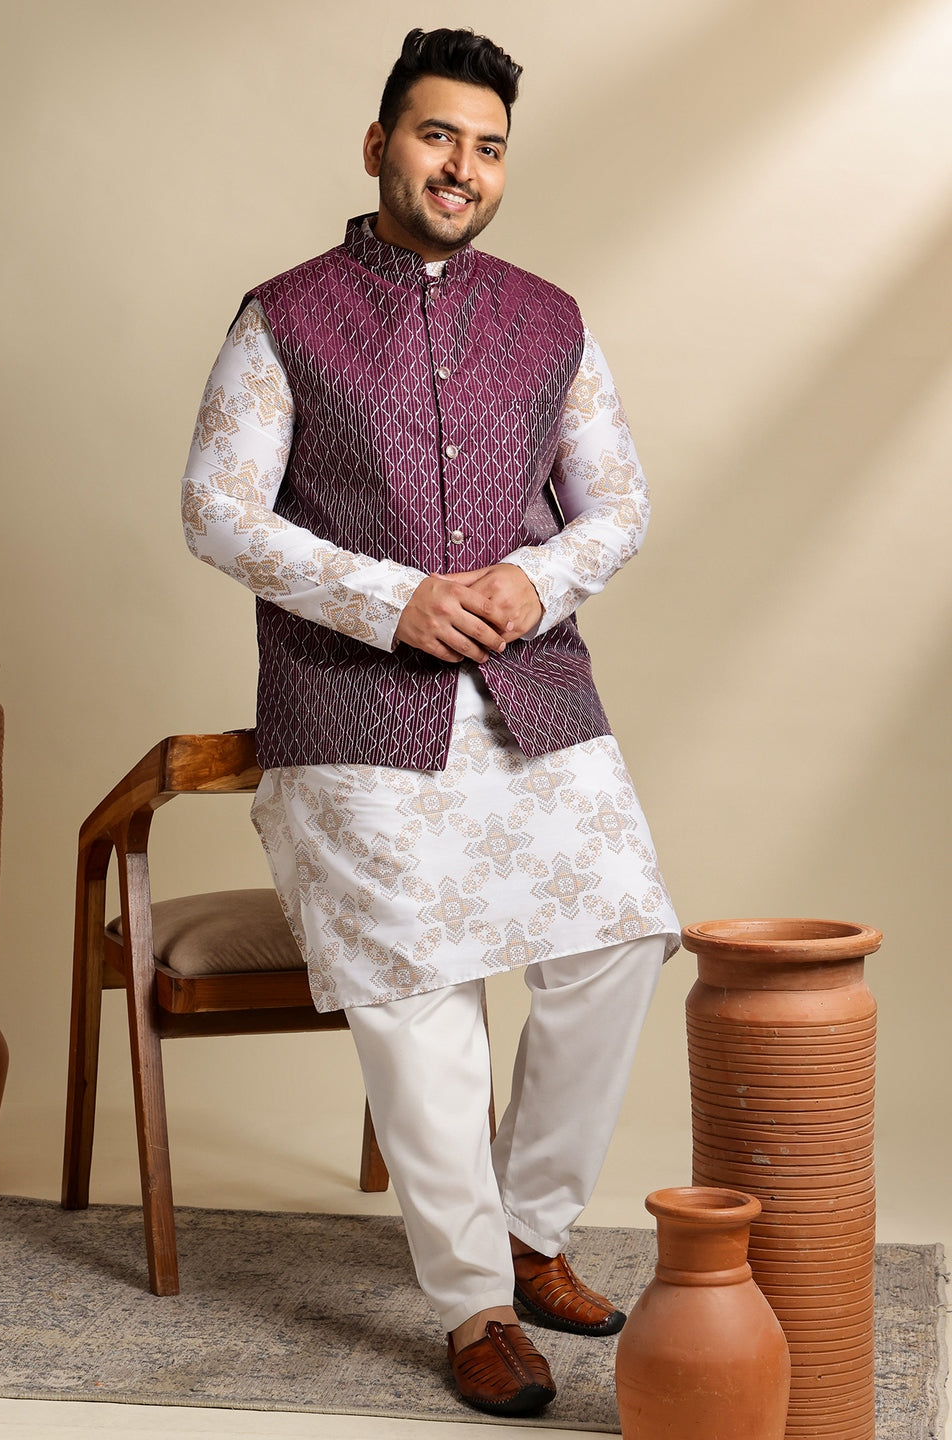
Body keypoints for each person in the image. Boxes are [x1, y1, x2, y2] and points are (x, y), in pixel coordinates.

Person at [181, 26, 680, 1417]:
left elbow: (619, 506)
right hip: (351, 712)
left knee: (620, 937)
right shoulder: (284, 317)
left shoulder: (551, 319)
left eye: (487, 146)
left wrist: (536, 579)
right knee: (418, 984)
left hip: (535, 694)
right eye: (436, 134)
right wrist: (388, 600)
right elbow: (216, 509)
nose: (462, 165)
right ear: (380, 145)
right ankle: (473, 1306)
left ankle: (529, 1233)